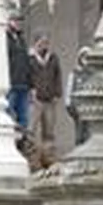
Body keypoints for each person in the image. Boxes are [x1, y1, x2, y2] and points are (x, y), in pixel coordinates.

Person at [28, 31, 62, 166]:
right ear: (36, 43)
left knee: (49, 130)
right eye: (41, 43)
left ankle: (48, 157)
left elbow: (57, 76)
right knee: (31, 129)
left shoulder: (53, 58)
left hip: (49, 99)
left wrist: (57, 94)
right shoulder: (30, 58)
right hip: (36, 98)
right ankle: (32, 158)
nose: (44, 46)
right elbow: (27, 74)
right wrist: (31, 90)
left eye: (46, 43)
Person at [6, 14, 32, 130]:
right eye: (15, 20)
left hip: (23, 83)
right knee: (8, 115)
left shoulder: (21, 40)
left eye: (20, 21)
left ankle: (21, 142)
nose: (18, 24)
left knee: (23, 118)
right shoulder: (4, 38)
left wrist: (30, 83)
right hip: (10, 83)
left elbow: (26, 62)